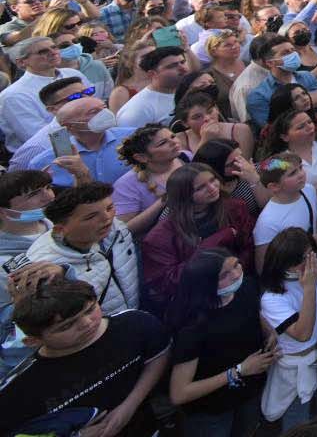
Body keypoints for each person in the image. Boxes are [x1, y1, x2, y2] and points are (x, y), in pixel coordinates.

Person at [0, 275, 169, 436]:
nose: (87, 324)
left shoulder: (135, 324)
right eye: (67, 326)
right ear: (33, 341)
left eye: (89, 310)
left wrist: (129, 405)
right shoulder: (17, 390)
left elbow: (157, 356)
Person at [166, 250, 278, 437]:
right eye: (224, 275)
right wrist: (240, 370)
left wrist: (269, 332)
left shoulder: (246, 288)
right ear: (206, 285)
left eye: (236, 264)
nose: (236, 274)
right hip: (211, 411)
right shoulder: (193, 328)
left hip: (249, 394)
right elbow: (179, 393)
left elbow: (252, 312)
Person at [259, 229, 317, 431]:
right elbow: (303, 333)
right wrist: (310, 288)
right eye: (302, 259)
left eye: (311, 253)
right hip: (300, 364)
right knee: (299, 423)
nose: (311, 261)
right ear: (284, 264)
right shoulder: (272, 298)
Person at [7, 182, 142, 316]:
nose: (107, 218)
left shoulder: (116, 228)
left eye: (109, 208)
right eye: (91, 217)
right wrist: (67, 277)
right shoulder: (44, 269)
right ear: (61, 229)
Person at [140, 163, 255, 315]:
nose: (213, 188)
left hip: (240, 290)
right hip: (196, 308)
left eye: (213, 180)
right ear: (184, 195)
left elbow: (248, 247)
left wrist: (234, 275)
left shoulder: (235, 208)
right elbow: (166, 282)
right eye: (200, 188)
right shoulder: (159, 237)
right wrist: (217, 241)